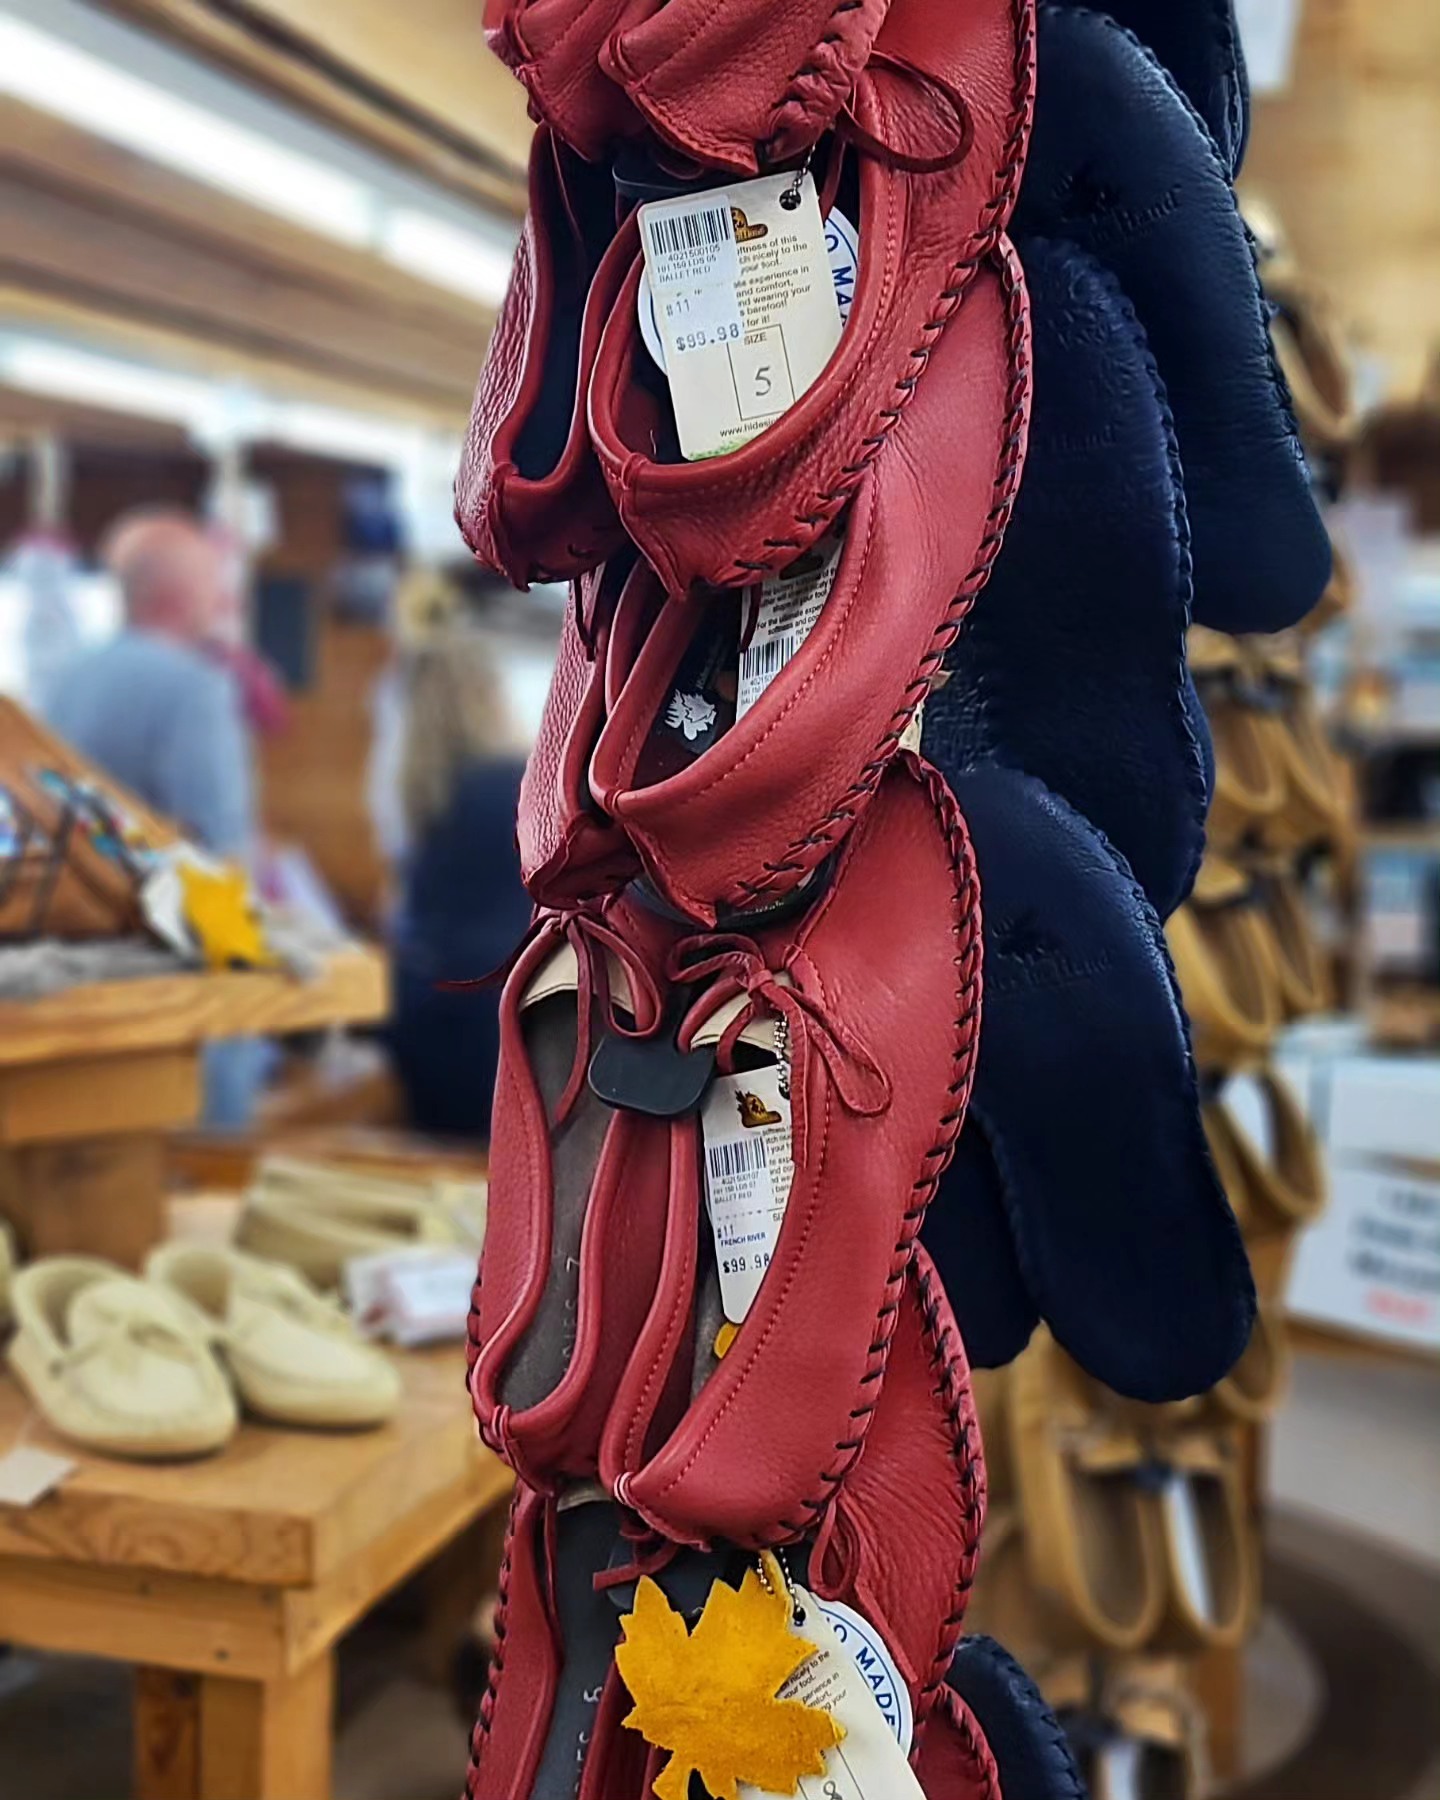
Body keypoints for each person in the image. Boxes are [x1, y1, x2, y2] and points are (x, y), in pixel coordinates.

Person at [44, 507, 264, 1125]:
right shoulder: (194, 689)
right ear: (183, 593)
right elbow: (217, 857)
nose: (221, 600)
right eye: (214, 583)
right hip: (178, 992)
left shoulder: (64, 682)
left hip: (79, 980)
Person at [387, 623, 530, 1139]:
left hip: (422, 1007)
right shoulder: (517, 786)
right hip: (494, 1010)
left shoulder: (419, 795)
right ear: (487, 693)